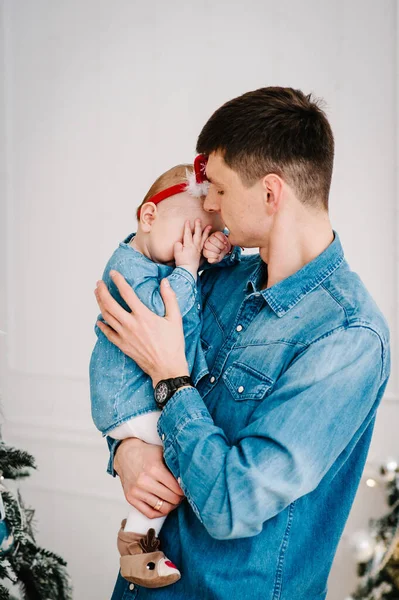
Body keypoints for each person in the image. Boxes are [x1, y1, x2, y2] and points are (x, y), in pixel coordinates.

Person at [94, 87, 391, 600]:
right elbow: (125, 370)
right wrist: (126, 449)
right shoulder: (216, 278)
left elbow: (235, 502)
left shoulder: (349, 339)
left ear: (271, 194)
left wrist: (170, 377)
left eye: (221, 189)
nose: (206, 203)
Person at [89, 163, 239, 588]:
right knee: (182, 456)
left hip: (142, 398)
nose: (191, 247)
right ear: (149, 217)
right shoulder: (125, 267)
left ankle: (137, 545)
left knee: (163, 474)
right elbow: (161, 312)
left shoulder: (165, 260)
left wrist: (221, 253)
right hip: (130, 400)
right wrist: (190, 268)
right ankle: (136, 545)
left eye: (208, 233)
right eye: (191, 232)